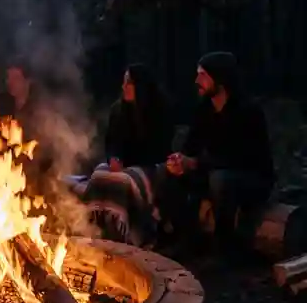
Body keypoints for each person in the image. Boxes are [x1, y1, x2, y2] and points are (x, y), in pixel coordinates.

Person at [155, 52, 274, 258]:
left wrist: (196, 163)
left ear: (219, 78)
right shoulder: (204, 109)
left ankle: (225, 250)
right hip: (214, 172)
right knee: (167, 173)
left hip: (252, 177)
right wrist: (179, 160)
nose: (196, 80)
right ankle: (187, 238)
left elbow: (241, 158)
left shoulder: (248, 111)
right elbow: (191, 146)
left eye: (202, 75)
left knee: (220, 179)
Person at [80, 64, 174, 245]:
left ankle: (129, 234)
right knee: (99, 174)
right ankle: (96, 231)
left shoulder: (159, 109)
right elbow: (112, 142)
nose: (123, 87)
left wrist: (129, 163)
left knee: (125, 181)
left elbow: (160, 147)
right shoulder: (118, 110)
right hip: (125, 164)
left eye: (128, 83)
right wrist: (114, 157)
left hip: (151, 164)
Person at [0, 60, 53, 183]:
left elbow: (47, 151)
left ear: (28, 81)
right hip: (3, 174)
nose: (10, 82)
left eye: (16, 78)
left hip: (33, 177)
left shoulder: (40, 109)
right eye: (9, 78)